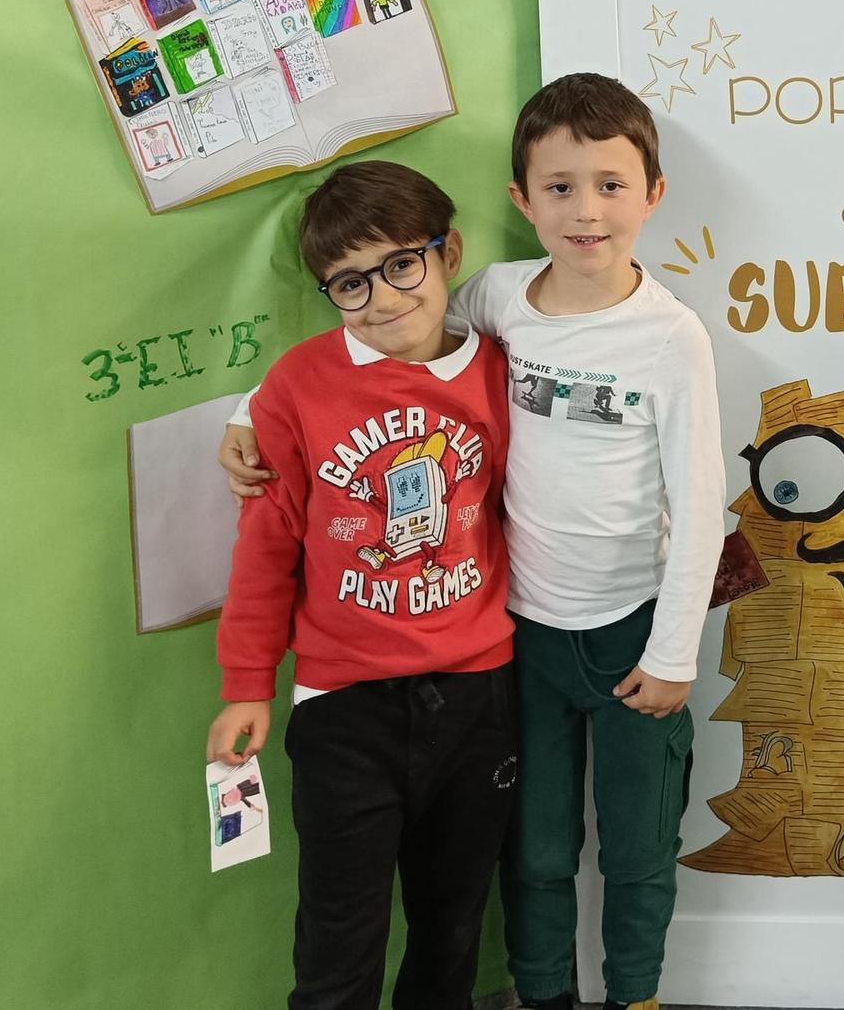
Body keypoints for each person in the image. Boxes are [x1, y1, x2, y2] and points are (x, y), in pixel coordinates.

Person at [223, 74, 724, 1010]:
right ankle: (542, 995)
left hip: (618, 630)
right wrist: (252, 415)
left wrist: (675, 651)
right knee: (528, 852)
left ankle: (637, 995)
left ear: (653, 194)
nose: (585, 210)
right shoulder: (499, 297)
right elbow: (362, 361)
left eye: (611, 185)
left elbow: (702, 507)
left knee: (631, 843)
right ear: (520, 202)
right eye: (560, 187)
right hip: (516, 638)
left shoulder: (670, 338)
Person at [205, 161, 516, 1010]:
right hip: (343, 703)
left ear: (447, 252)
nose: (382, 298)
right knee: (340, 936)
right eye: (350, 282)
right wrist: (246, 685)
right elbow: (265, 547)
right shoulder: (298, 385)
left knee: (452, 926)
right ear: (328, 292)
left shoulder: (502, 373)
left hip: (478, 691)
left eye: (401, 265)